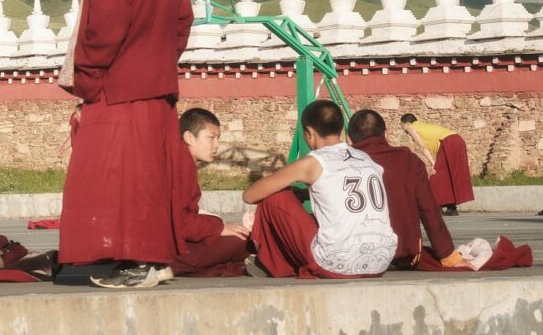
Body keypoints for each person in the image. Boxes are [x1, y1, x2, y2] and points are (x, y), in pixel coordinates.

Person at [57, 0, 194, 289]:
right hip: (157, 86)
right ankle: (154, 259)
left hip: (116, 89)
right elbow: (183, 21)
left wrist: (90, 77)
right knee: (151, 175)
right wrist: (160, 62)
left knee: (118, 178)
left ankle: (139, 261)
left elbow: (106, 25)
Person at [242, 99, 398, 279]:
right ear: (341, 130)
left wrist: (292, 191)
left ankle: (275, 265)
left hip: (337, 265)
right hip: (380, 262)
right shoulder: (365, 158)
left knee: (275, 197)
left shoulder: (314, 161)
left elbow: (250, 195)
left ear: (309, 133)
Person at [348, 109, 459, 268]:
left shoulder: (342, 164)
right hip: (404, 254)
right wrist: (446, 252)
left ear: (349, 139)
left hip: (354, 255)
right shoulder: (409, 161)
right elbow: (428, 210)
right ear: (387, 134)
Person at [167, 107, 249, 278]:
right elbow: (179, 223)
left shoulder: (179, 159)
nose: (217, 145)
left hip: (167, 241)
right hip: (166, 249)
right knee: (240, 241)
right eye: (211, 138)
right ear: (189, 137)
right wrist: (218, 228)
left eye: (218, 138)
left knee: (223, 228)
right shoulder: (181, 165)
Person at [400, 113, 475, 215]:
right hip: (458, 139)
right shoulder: (422, 125)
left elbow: (422, 147)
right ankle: (451, 208)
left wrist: (433, 163)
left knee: (436, 174)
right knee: (447, 175)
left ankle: (435, 207)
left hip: (449, 142)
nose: (402, 128)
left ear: (407, 123)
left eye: (402, 125)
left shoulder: (411, 128)